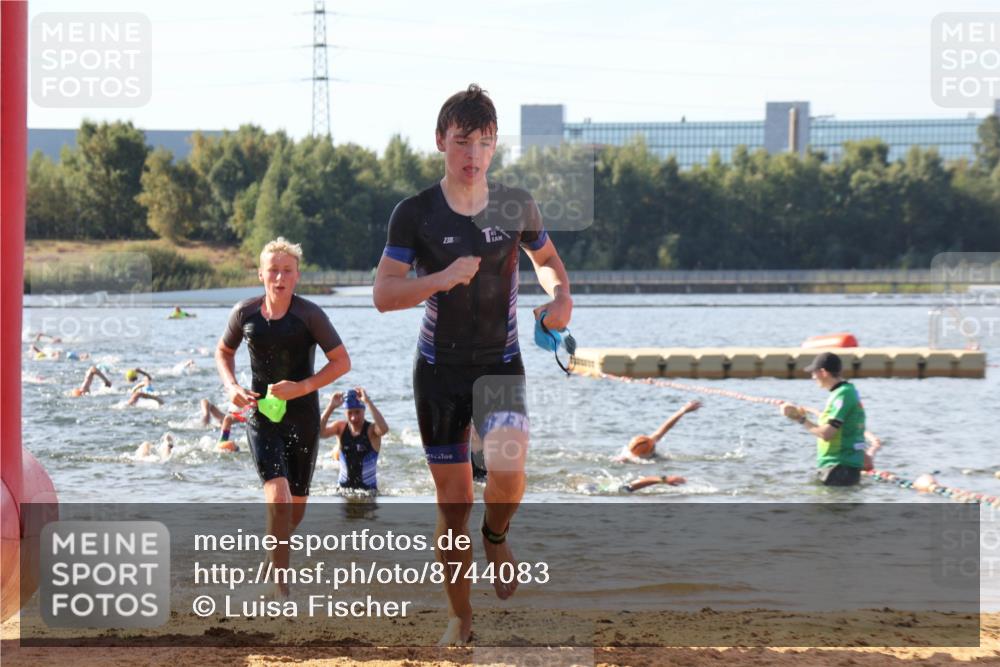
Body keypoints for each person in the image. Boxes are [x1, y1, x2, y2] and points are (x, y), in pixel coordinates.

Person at [372, 84, 573, 645]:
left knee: (509, 471)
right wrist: (440, 279)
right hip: (438, 370)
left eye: (484, 143)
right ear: (441, 140)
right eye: (463, 141)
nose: (473, 154)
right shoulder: (415, 213)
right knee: (453, 504)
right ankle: (460, 618)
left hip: (499, 363)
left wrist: (560, 298)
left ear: (495, 147)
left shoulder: (515, 205)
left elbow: (547, 260)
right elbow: (384, 294)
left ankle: (497, 535)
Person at [215, 237, 350, 598]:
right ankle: (281, 589)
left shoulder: (310, 315)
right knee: (278, 498)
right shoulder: (245, 313)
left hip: (303, 417)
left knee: (295, 513)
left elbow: (341, 362)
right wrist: (231, 386)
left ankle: (271, 556)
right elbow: (223, 352)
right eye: (273, 270)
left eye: (287, 271)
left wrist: (301, 387)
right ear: (260, 274)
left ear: (297, 276)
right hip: (260, 414)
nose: (279, 277)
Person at [780, 352, 876, 487]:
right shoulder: (846, 391)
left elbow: (826, 434)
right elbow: (851, 429)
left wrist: (800, 419)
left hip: (838, 468)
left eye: (814, 373)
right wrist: (864, 457)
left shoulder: (843, 394)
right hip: (842, 467)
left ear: (823, 372)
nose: (813, 377)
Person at [320, 387, 390, 492]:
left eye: (357, 412)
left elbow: (384, 429)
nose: (353, 417)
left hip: (368, 493)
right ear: (345, 412)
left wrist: (368, 402)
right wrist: (331, 407)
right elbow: (320, 433)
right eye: (350, 413)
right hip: (342, 491)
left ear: (364, 410)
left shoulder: (372, 431)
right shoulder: (340, 428)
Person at [614, 400, 702, 463]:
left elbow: (666, 427)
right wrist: (683, 410)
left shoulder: (633, 451)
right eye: (653, 445)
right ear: (649, 450)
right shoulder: (630, 458)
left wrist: (683, 410)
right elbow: (667, 427)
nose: (654, 444)